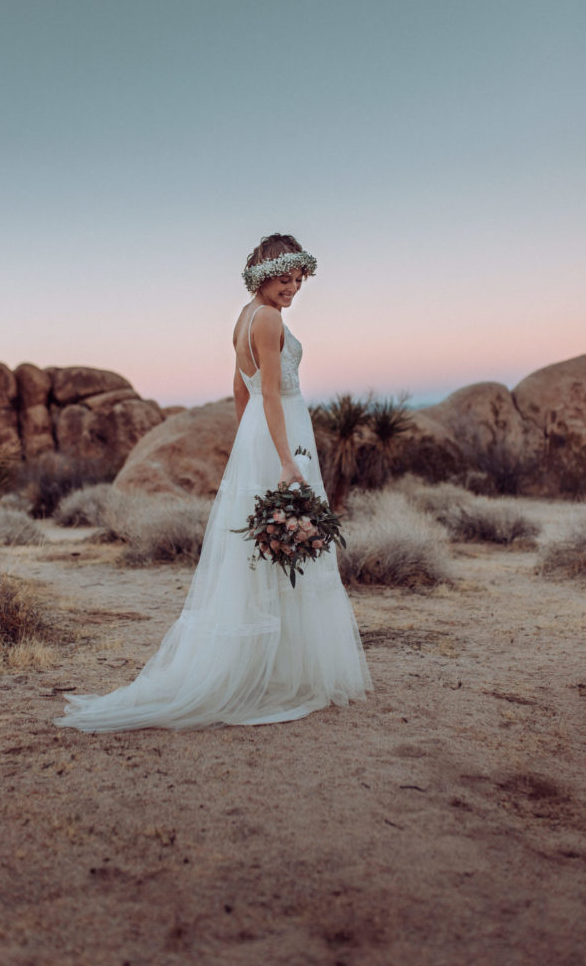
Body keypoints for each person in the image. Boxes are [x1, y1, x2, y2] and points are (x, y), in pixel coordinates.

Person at [55, 234, 372, 732]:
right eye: (285, 279)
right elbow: (268, 393)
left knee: (269, 549)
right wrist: (284, 460)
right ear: (265, 273)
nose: (293, 289)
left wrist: (247, 448)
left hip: (261, 437)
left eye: (299, 280)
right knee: (285, 543)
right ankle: (274, 671)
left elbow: (237, 387)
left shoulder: (245, 316)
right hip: (280, 433)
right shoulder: (266, 319)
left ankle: (272, 663)